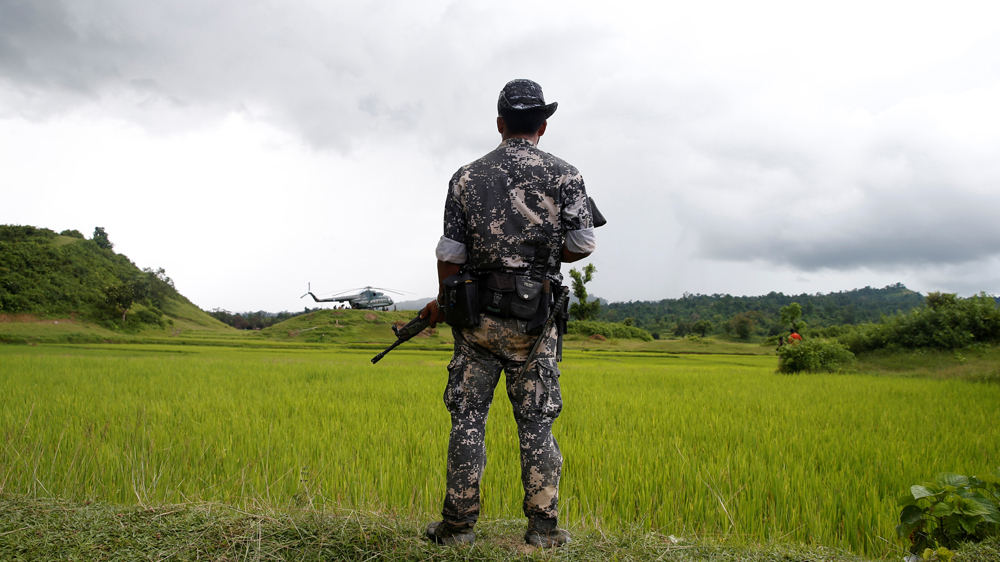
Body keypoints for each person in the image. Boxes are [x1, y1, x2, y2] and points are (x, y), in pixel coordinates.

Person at [419, 79, 596, 548]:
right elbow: (582, 244)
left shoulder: (466, 176)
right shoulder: (566, 174)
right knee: (536, 421)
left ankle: (457, 529)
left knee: (468, 419)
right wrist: (539, 258)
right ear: (543, 125)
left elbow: (450, 254)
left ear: (500, 124)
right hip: (535, 318)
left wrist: (449, 301)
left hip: (477, 315)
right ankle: (543, 530)